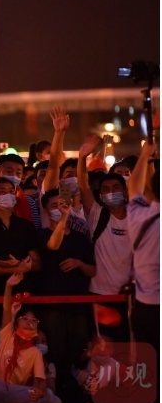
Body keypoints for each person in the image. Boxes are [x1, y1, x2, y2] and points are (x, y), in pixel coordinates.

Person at [0, 272, 62, 403]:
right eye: (25, 318)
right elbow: (7, 309)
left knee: (49, 396)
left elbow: (41, 381)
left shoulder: (35, 352)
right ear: (16, 323)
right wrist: (8, 286)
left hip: (14, 392)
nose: (29, 322)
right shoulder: (8, 335)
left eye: (33, 321)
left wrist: (39, 391)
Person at [37, 189, 95, 401]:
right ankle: (56, 399)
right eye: (54, 206)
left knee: (79, 353)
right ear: (45, 210)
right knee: (55, 353)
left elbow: (93, 270)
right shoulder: (42, 234)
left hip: (78, 305)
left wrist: (79, 263)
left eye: (62, 204)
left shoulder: (80, 237)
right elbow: (53, 245)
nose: (59, 209)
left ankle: (79, 399)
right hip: (51, 306)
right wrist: (62, 220)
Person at [77, 135, 132, 341]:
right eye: (106, 190)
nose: (111, 193)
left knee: (132, 348)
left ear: (125, 192)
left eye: (116, 188)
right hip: (100, 295)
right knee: (104, 348)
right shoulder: (98, 215)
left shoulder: (136, 217)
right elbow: (83, 187)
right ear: (100, 196)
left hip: (131, 297)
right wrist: (82, 157)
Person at [127, 142, 159, 403]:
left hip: (146, 309)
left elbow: (132, 188)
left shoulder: (138, 216)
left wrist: (144, 156)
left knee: (150, 370)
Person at [0, 154, 42, 229]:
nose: (14, 175)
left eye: (18, 173)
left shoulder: (29, 201)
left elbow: (36, 228)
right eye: (9, 171)